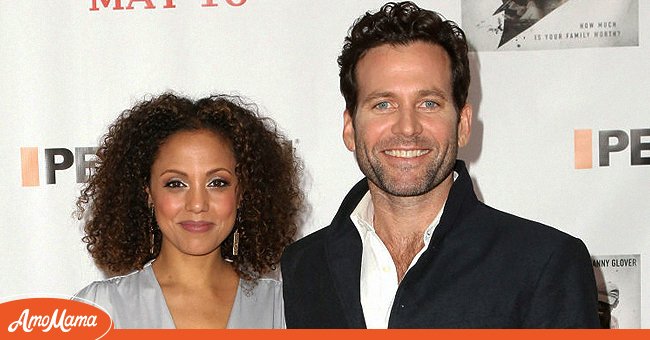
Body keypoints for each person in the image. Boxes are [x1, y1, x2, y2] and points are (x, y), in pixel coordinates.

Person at [281, 1, 599, 328]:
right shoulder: (303, 266)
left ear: (462, 124)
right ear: (350, 128)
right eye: (383, 104)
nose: (407, 127)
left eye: (429, 103)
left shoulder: (543, 263)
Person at [74, 92, 303, 328]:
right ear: (148, 193)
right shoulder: (99, 309)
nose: (197, 204)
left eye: (217, 183)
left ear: (242, 193)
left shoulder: (284, 307)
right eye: (176, 184)